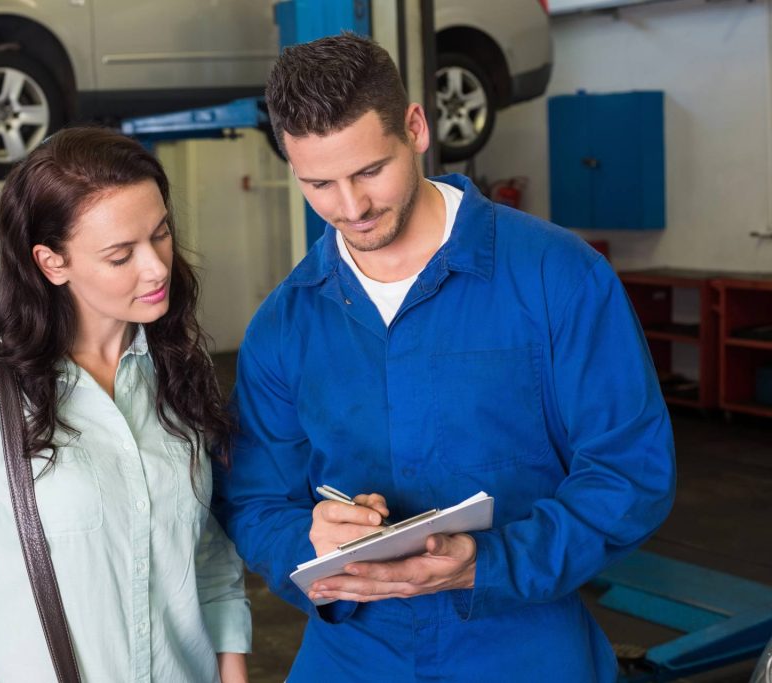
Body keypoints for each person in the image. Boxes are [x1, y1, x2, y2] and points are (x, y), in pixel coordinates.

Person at [214, 33, 675, 681]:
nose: (351, 208)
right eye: (319, 183)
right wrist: (308, 543)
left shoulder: (559, 278)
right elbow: (254, 498)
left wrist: (493, 563)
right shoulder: (284, 324)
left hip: (520, 643)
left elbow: (630, 472)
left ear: (416, 126)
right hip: (355, 649)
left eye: (370, 171)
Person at [0, 127, 251, 683]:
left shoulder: (179, 373)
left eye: (161, 234)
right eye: (121, 254)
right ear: (52, 263)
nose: (156, 267)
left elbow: (209, 563)